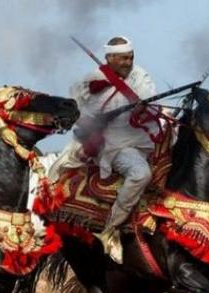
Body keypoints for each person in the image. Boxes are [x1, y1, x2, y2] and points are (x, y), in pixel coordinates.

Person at [54, 36, 159, 263]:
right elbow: (72, 109)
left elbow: (149, 99)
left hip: (145, 139)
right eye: (123, 58)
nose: (128, 62)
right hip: (115, 146)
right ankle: (111, 228)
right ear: (110, 57)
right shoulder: (91, 80)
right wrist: (90, 121)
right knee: (141, 174)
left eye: (131, 57)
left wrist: (141, 105)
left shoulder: (141, 77)